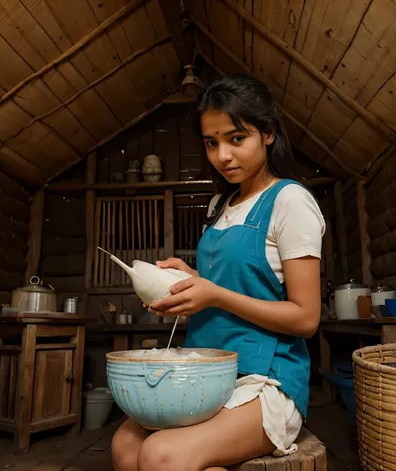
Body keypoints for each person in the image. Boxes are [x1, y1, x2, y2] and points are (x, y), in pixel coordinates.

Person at [111, 73, 326, 471]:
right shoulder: (219, 205)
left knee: (161, 454)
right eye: (211, 143)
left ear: (268, 133)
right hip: (209, 373)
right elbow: (234, 284)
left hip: (266, 380)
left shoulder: (290, 201)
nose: (222, 155)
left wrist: (213, 294)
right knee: (125, 445)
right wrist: (186, 281)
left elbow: (306, 318)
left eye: (236, 138)